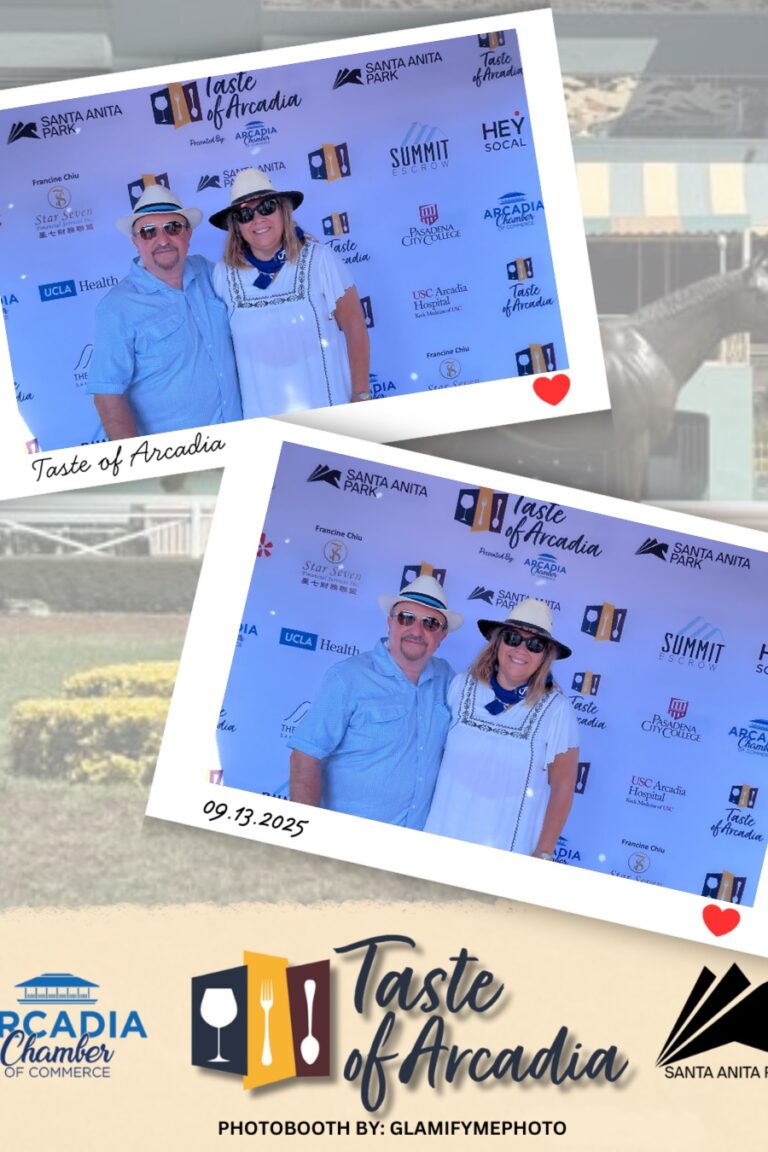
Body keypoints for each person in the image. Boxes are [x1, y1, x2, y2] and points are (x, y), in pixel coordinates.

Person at [289, 575, 463, 828]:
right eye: (406, 618)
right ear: (389, 622)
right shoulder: (348, 677)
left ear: (442, 635)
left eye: (431, 623)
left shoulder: (447, 679)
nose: (417, 630)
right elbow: (305, 756)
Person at [209, 168, 371, 417]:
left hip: (329, 411)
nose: (257, 219)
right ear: (236, 226)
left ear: (283, 211)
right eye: (245, 214)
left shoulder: (319, 259)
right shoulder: (223, 274)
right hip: (263, 421)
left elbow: (354, 325)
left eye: (267, 207)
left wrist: (361, 395)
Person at [425, 598, 579, 858]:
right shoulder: (460, 686)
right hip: (441, 839)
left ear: (545, 656)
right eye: (512, 638)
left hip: (506, 853)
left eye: (535, 644)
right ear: (497, 642)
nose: (521, 649)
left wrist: (544, 851)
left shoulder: (557, 710)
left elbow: (563, 786)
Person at [87, 185, 242, 439]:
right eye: (149, 232)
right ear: (135, 241)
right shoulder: (116, 307)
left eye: (173, 227)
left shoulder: (209, 273)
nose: (162, 240)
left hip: (239, 440)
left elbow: (258, 275)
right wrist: (138, 462)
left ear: (188, 234)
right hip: (179, 461)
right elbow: (107, 395)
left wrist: (295, 243)